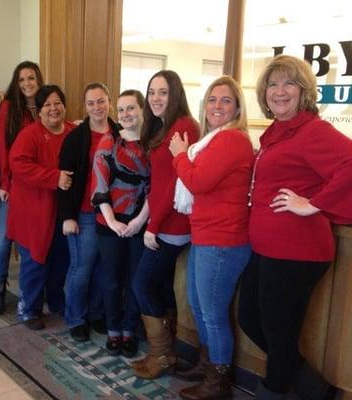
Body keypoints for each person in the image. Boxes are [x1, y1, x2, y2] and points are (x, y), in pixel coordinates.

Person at [237, 55, 352, 400]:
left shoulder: (312, 130)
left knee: (279, 332)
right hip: (268, 248)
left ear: (304, 91)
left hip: (296, 251)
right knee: (252, 320)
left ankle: (273, 392)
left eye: (289, 83)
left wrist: (312, 203)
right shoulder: (277, 133)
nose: (279, 91)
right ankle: (318, 392)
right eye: (273, 84)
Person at [169, 76, 253, 399]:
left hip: (223, 241)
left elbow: (198, 181)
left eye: (226, 101)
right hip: (206, 235)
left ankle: (218, 383)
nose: (218, 106)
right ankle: (208, 366)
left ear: (237, 108)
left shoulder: (232, 140)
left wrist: (179, 154)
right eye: (213, 100)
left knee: (213, 314)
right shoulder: (212, 140)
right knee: (199, 306)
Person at [131, 70, 200, 379]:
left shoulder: (183, 126)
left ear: (175, 95)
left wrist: (152, 226)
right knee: (157, 284)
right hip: (165, 220)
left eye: (163, 92)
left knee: (142, 283)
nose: (156, 98)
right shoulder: (163, 127)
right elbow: (159, 181)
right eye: (152, 92)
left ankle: (161, 355)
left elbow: (174, 184)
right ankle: (166, 353)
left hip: (172, 224)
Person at [7, 85, 75, 330]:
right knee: (35, 262)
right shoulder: (30, 134)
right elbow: (18, 165)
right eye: (47, 105)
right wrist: (53, 177)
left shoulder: (73, 132)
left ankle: (56, 301)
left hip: (63, 213)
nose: (53, 109)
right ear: (39, 110)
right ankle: (29, 308)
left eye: (57, 103)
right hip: (33, 213)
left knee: (61, 260)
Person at [58, 83, 119, 342]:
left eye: (101, 101)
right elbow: (65, 180)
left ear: (109, 102)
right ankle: (76, 318)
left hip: (112, 216)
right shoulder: (75, 138)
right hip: (83, 213)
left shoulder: (120, 134)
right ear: (85, 106)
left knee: (104, 270)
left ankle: (95, 314)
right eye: (91, 103)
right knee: (81, 268)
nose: (97, 107)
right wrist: (68, 216)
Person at [91, 89, 149, 357]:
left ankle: (130, 331)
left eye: (132, 108)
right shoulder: (108, 141)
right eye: (122, 109)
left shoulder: (152, 145)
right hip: (108, 223)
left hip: (141, 223)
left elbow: (156, 188)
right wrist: (113, 221)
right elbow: (100, 185)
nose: (126, 114)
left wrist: (139, 221)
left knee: (135, 280)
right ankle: (113, 330)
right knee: (112, 281)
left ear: (142, 110)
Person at [0, 61, 44, 315]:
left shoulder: (45, 106)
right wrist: (4, 182)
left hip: (39, 188)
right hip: (13, 186)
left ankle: (32, 293)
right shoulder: (8, 108)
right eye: (21, 79)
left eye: (31, 78)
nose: (26, 84)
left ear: (38, 80)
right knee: (3, 239)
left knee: (33, 242)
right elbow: (3, 148)